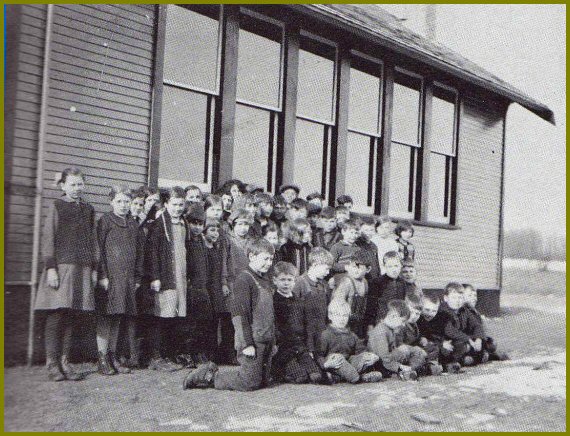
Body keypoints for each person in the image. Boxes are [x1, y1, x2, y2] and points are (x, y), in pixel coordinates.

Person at [183, 239, 276, 391]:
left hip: (266, 339)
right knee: (248, 383)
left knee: (263, 381)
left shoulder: (265, 280)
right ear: (252, 256)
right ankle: (209, 375)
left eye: (271, 259)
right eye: (265, 258)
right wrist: (247, 344)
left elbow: (269, 314)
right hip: (252, 339)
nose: (269, 263)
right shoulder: (244, 280)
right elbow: (239, 315)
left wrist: (273, 341)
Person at [34, 167, 97, 381]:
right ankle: (52, 364)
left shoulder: (88, 209)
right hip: (61, 268)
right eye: (72, 184)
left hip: (82, 268)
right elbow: (48, 238)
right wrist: (51, 267)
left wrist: (93, 269)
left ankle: (65, 362)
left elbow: (92, 240)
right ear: (63, 186)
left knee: (71, 314)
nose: (77, 189)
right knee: (56, 313)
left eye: (80, 184)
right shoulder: (57, 206)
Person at [95, 186, 144, 375]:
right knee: (106, 316)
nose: (123, 205)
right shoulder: (105, 221)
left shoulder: (133, 224)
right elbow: (99, 249)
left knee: (118, 316)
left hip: (128, 279)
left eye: (126, 202)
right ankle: (101, 358)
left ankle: (113, 356)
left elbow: (139, 253)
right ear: (111, 202)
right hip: (110, 278)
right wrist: (102, 276)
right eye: (119, 201)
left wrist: (138, 277)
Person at [144, 186, 188, 372]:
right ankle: (155, 356)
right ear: (167, 204)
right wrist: (155, 277)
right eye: (175, 204)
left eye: (181, 204)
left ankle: (169, 354)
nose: (178, 208)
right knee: (162, 316)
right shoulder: (159, 224)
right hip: (166, 277)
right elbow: (152, 252)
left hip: (180, 277)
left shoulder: (182, 223)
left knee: (174, 318)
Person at [272, 262, 322, 384]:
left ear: (295, 281)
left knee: (316, 374)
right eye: (282, 279)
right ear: (275, 280)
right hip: (284, 348)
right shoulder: (273, 302)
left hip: (300, 346)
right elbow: (274, 326)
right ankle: (285, 372)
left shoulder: (299, 302)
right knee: (301, 376)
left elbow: (307, 326)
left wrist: (309, 348)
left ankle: (306, 370)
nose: (286, 283)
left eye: (289, 280)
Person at [317, 301, 382, 384]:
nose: (341, 318)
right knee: (337, 357)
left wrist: (372, 356)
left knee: (365, 356)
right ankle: (360, 378)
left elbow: (361, 350)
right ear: (330, 316)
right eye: (337, 315)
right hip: (334, 365)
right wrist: (326, 364)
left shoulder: (352, 335)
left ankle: (340, 378)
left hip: (349, 363)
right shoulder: (325, 334)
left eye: (345, 315)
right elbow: (319, 355)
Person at [184, 204, 215, 367]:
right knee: (190, 324)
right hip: (191, 288)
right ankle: (188, 353)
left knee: (203, 321)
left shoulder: (201, 242)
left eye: (200, 224)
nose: (196, 227)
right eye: (193, 223)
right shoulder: (186, 241)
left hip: (202, 288)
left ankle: (199, 352)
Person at [367, 300, 423, 381]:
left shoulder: (390, 328)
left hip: (390, 361)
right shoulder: (381, 331)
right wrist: (399, 366)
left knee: (416, 351)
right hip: (381, 364)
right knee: (407, 351)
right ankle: (407, 371)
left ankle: (410, 370)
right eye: (403, 321)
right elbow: (384, 358)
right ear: (393, 316)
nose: (403, 325)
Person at [293, 247, 334, 357]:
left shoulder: (324, 285)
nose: (328, 272)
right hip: (305, 336)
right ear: (315, 265)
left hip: (321, 334)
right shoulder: (299, 283)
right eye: (326, 269)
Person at [460, 284, 509, 364]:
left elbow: (479, 328)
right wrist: (473, 340)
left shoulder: (475, 312)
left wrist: (479, 338)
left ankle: (485, 355)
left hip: (476, 340)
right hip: (466, 342)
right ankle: (486, 356)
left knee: (491, 343)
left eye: (475, 296)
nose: (473, 298)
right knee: (467, 352)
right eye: (469, 296)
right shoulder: (461, 312)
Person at [365, 251, 414, 327]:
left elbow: (402, 305)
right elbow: (371, 307)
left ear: (401, 265)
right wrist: (370, 325)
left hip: (396, 322)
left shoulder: (402, 283)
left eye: (396, 266)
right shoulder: (377, 283)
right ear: (384, 266)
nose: (393, 269)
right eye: (390, 266)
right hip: (380, 322)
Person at [416, 293, 462, 374]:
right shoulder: (418, 320)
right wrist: (440, 343)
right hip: (424, 347)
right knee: (432, 347)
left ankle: (447, 364)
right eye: (427, 310)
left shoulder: (438, 319)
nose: (430, 313)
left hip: (437, 344)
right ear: (421, 307)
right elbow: (421, 338)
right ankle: (429, 366)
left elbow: (440, 334)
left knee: (451, 345)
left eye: (434, 311)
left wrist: (444, 342)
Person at [330, 250, 370, 339]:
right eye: (353, 267)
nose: (355, 270)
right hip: (344, 324)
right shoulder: (347, 282)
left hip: (357, 324)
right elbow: (336, 305)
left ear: (368, 269)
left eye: (359, 268)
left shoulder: (365, 282)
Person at [400, 293, 443, 376]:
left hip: (415, 351)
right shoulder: (401, 325)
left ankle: (428, 365)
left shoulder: (415, 324)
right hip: (405, 353)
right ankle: (409, 371)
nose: (414, 316)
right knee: (418, 358)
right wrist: (415, 349)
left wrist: (421, 339)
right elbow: (399, 345)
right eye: (411, 312)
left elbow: (416, 338)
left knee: (433, 348)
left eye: (417, 314)